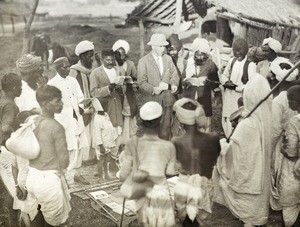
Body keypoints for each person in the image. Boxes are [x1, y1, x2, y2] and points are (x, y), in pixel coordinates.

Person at [213, 74, 272, 226]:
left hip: (248, 181)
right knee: (253, 218)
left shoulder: (247, 125)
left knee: (248, 220)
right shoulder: (266, 119)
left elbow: (232, 153)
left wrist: (221, 144)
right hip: (259, 180)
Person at [119, 101, 177, 227]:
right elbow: (171, 172)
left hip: (143, 196)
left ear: (142, 123)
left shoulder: (132, 143)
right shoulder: (169, 146)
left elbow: (123, 175)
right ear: (160, 121)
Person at [25, 85, 70, 227]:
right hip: (48, 181)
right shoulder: (56, 127)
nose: (61, 103)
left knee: (37, 217)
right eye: (57, 101)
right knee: (55, 223)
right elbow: (64, 160)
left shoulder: (31, 121)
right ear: (45, 103)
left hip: (31, 177)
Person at [172, 97, 221, 226]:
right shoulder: (213, 138)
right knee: (201, 222)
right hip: (204, 186)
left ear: (181, 121)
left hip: (184, 186)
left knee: (186, 223)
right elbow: (215, 158)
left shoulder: (176, 141)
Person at [48, 57, 90, 185]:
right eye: (65, 67)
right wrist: (67, 111)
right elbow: (52, 106)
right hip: (63, 121)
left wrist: (82, 107)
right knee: (67, 148)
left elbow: (80, 96)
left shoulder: (72, 80)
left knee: (79, 146)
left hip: (76, 118)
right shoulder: (52, 84)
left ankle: (77, 174)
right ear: (58, 68)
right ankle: (66, 177)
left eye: (68, 66)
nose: (68, 69)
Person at [137, 33, 180, 140]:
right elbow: (141, 82)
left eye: (164, 46)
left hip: (167, 100)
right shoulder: (144, 61)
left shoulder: (168, 59)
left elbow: (175, 75)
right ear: (153, 46)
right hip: (152, 101)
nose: (164, 49)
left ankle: (166, 148)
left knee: (167, 128)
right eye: (161, 46)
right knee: (153, 130)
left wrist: (173, 85)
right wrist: (153, 89)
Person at [221, 38, 256, 137]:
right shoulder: (232, 61)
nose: (238, 52)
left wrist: (237, 88)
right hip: (228, 96)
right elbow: (224, 75)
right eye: (235, 50)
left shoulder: (250, 65)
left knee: (238, 119)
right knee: (227, 118)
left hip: (240, 98)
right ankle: (228, 138)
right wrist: (226, 82)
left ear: (245, 50)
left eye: (240, 50)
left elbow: (251, 85)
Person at [0, 73, 23, 226]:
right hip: (7, 151)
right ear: (14, 88)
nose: (21, 89)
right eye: (20, 86)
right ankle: (16, 223)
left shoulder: (3, 101)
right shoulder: (10, 105)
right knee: (16, 190)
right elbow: (6, 126)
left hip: (3, 149)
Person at [90, 49, 124, 151]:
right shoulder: (95, 73)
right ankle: (105, 156)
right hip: (106, 107)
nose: (110, 62)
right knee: (106, 132)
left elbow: (124, 87)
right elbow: (93, 92)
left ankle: (116, 156)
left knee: (118, 132)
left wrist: (121, 88)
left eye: (112, 60)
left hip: (117, 106)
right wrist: (108, 88)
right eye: (107, 60)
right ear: (102, 59)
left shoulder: (118, 70)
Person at [184, 38, 220, 132]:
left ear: (206, 54)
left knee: (205, 117)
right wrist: (187, 82)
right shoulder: (190, 62)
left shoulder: (211, 64)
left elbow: (216, 83)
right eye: (197, 54)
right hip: (192, 95)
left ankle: (205, 137)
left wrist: (209, 82)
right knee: (192, 118)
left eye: (201, 55)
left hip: (204, 96)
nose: (199, 57)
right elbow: (184, 79)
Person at [69, 40, 95, 162]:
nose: (92, 58)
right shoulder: (74, 71)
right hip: (80, 106)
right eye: (90, 56)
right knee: (83, 131)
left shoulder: (93, 70)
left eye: (93, 55)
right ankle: (83, 158)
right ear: (83, 56)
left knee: (93, 130)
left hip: (92, 104)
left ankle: (91, 156)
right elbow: (70, 90)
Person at [277, 85, 300, 227]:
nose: (288, 103)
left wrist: (282, 148)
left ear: (297, 102)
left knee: (291, 207)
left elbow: (291, 151)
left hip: (294, 171)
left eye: (290, 100)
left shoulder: (295, 122)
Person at [112, 39, 138, 144]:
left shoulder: (130, 64)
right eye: (119, 55)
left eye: (123, 55)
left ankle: (127, 142)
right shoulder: (111, 65)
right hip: (116, 96)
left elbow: (136, 80)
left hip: (128, 96)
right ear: (114, 55)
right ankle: (118, 144)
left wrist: (130, 81)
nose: (121, 58)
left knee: (128, 120)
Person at [91, 99, 118, 181]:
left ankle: (106, 174)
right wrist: (100, 145)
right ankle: (100, 177)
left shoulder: (105, 115)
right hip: (101, 144)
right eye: (105, 105)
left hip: (107, 142)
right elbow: (97, 133)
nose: (107, 107)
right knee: (101, 160)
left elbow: (109, 126)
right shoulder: (97, 119)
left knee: (105, 159)